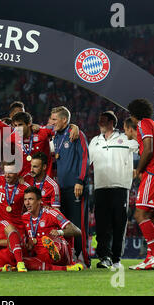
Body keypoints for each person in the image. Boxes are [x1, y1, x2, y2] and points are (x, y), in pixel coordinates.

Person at [126, 99, 154, 270]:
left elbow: (148, 149)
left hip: (153, 173)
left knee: (140, 214)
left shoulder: (143, 124)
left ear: (133, 113)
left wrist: (140, 170)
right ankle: (151, 257)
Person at [88, 111, 138, 269]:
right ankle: (104, 257)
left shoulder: (126, 138)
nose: (99, 124)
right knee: (102, 225)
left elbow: (143, 147)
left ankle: (116, 258)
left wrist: (139, 170)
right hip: (101, 188)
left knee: (119, 224)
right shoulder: (95, 141)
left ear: (112, 123)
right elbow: (86, 162)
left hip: (120, 187)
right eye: (99, 121)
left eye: (102, 121)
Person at [49, 106, 90, 268]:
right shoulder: (56, 137)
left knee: (78, 224)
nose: (52, 123)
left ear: (64, 120)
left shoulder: (76, 134)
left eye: (54, 119)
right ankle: (69, 256)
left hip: (75, 187)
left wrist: (80, 180)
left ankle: (83, 258)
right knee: (65, 226)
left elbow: (85, 158)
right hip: (60, 189)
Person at [22, 186, 83, 271]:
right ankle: (63, 268)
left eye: (30, 199)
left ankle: (54, 252)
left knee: (53, 238)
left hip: (61, 252)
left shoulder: (52, 213)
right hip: (39, 256)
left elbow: (77, 231)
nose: (27, 203)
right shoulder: (24, 218)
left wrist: (59, 232)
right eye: (25, 200)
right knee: (22, 262)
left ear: (39, 201)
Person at [0, 161, 30, 239]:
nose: (7, 175)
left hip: (17, 228)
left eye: (10, 173)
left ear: (17, 172)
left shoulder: (25, 188)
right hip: (1, 227)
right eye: (6, 172)